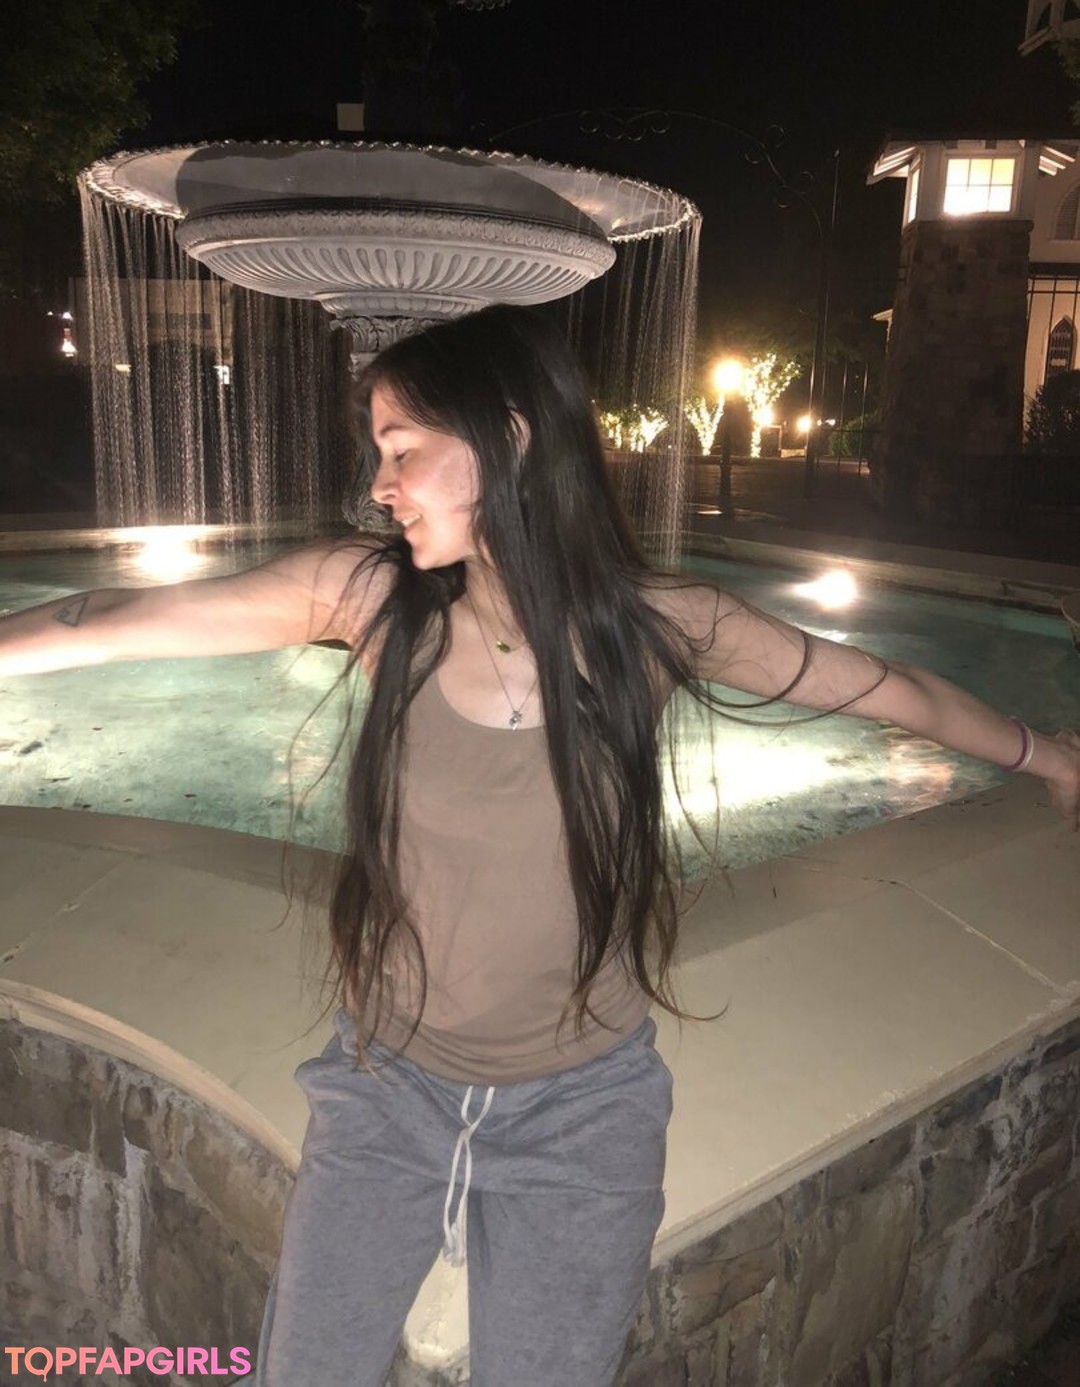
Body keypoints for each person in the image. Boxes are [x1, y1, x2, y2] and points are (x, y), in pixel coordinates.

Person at [1, 304, 1077, 1387]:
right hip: (385, 1093)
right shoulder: (374, 601)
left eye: (403, 450)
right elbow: (115, 619)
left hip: (583, 1114)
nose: (381, 485)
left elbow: (891, 688)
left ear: (510, 439)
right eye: (380, 454)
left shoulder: (662, 626)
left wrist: (1047, 754)